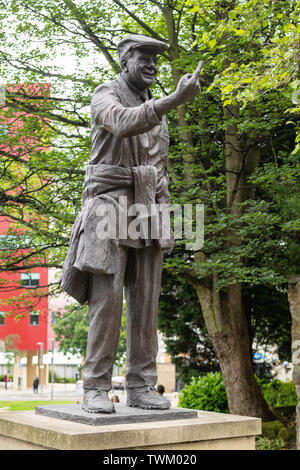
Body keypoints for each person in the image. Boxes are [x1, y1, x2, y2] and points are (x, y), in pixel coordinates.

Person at [61, 34, 202, 414]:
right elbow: (122, 124)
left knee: (146, 304)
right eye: (144, 57)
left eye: (156, 59)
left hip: (148, 210)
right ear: (125, 60)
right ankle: (95, 387)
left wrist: (167, 218)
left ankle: (140, 385)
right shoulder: (105, 94)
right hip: (109, 205)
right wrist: (173, 99)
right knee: (106, 302)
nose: (152, 65)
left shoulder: (157, 111)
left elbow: (160, 171)